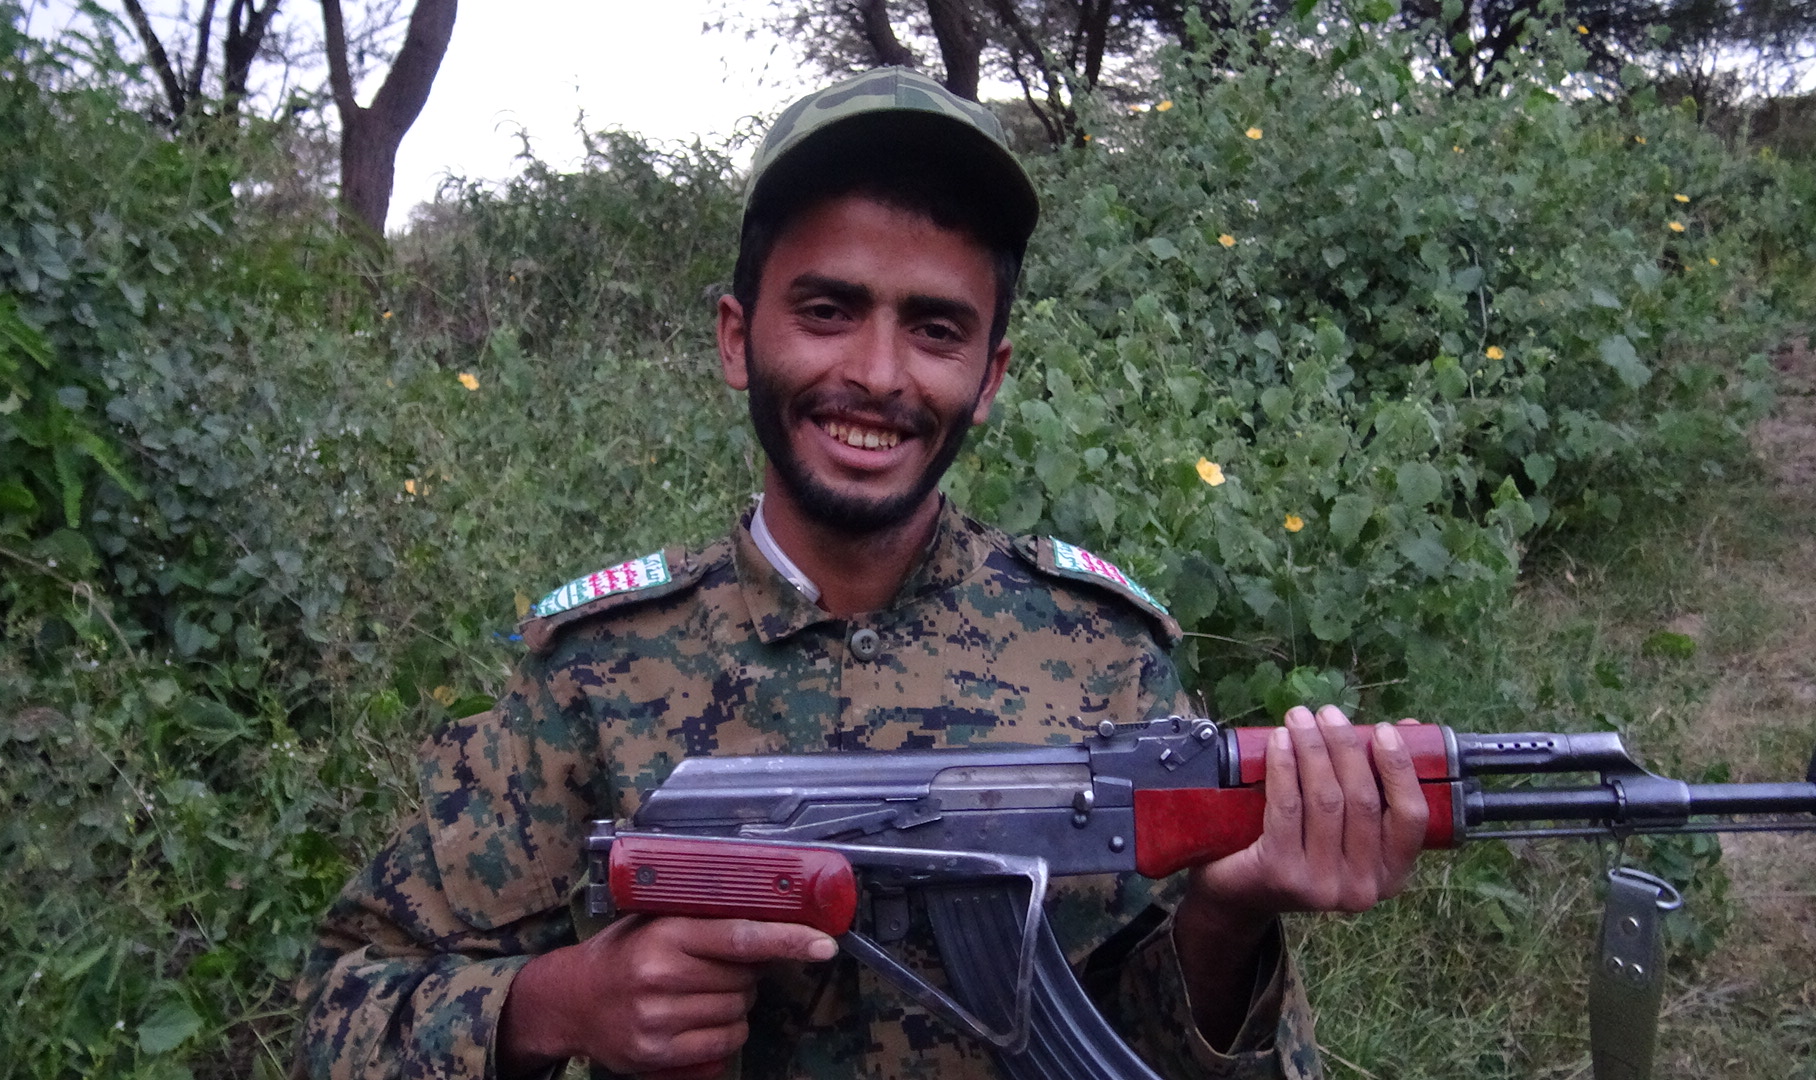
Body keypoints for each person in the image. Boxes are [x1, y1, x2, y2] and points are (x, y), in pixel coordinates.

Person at [297, 68, 1429, 1080]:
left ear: (990, 376)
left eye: (935, 329)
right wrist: (560, 1004)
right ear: (737, 337)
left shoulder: (1106, 657)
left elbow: (1175, 1052)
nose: (879, 374)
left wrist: (1228, 921)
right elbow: (345, 1005)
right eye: (829, 311)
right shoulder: (595, 674)